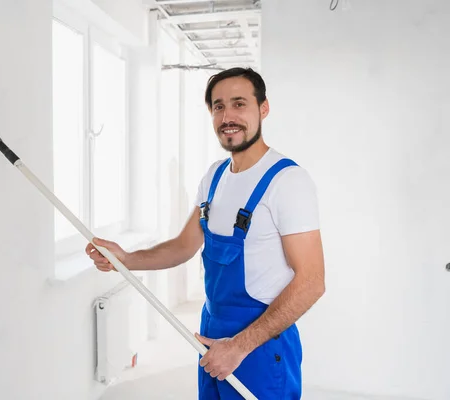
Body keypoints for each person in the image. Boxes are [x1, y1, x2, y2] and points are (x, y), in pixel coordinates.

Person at [84, 67, 325, 400]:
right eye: (218, 106)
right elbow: (184, 246)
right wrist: (126, 258)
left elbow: (312, 281)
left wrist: (239, 347)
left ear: (263, 108)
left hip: (259, 345)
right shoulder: (215, 177)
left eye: (239, 104)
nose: (228, 116)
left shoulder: (288, 182)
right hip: (212, 333)